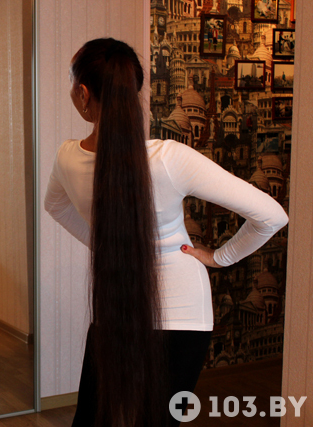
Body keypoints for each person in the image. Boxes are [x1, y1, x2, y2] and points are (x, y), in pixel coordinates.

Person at [44, 38, 288, 427]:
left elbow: (55, 207)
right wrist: (218, 257)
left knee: (93, 417)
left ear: (84, 93)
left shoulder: (67, 157)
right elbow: (271, 216)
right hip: (183, 314)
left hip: (116, 309)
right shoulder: (170, 158)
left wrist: (107, 247)